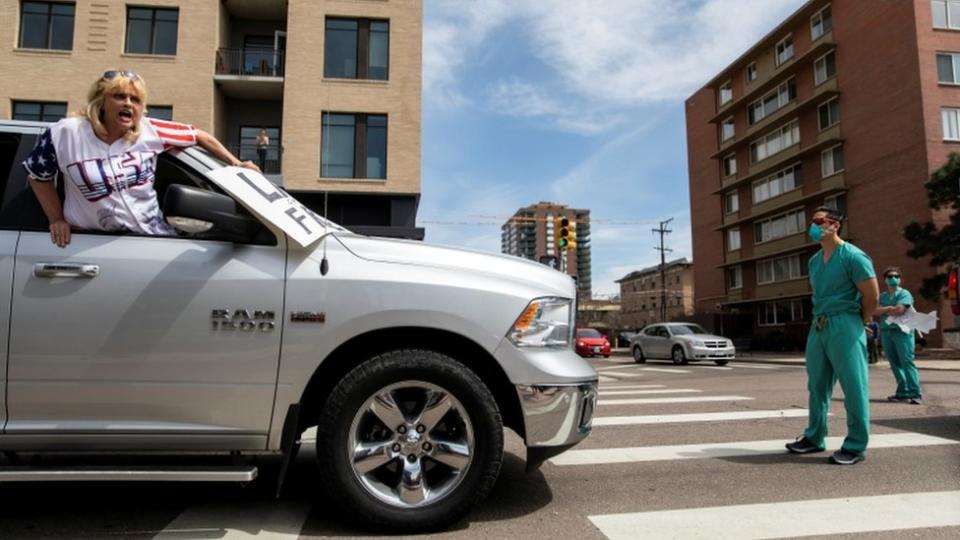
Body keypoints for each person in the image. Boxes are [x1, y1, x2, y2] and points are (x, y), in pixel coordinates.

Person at [22, 69, 259, 248]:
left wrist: (236, 164)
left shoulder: (150, 131)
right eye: (119, 96)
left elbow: (198, 135)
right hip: (91, 244)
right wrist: (56, 219)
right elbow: (37, 177)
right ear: (101, 101)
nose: (128, 103)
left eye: (135, 100)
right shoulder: (65, 133)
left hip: (152, 238)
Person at [785, 207, 878, 465]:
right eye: (812, 222)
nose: (813, 226)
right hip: (819, 324)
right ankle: (814, 437)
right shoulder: (814, 261)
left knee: (853, 385)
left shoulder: (854, 256)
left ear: (835, 225)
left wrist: (860, 321)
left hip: (845, 322)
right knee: (816, 385)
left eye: (818, 221)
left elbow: (872, 296)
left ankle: (855, 445)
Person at [874, 266, 922, 404]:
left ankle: (914, 393)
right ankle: (902, 392)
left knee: (907, 362)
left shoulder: (904, 294)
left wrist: (885, 309)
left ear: (900, 279)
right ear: (885, 280)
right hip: (886, 332)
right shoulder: (882, 296)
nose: (893, 278)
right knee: (894, 363)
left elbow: (900, 310)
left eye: (896, 276)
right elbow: (873, 310)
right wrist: (890, 308)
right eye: (890, 276)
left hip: (903, 332)